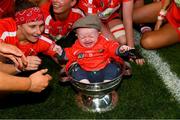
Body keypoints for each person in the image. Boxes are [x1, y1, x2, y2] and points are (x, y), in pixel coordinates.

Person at [56, 15, 144, 83]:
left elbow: (112, 46)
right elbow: (68, 53)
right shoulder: (76, 46)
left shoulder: (103, 42)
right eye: (82, 37)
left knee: (113, 68)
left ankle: (107, 82)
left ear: (99, 34)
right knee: (76, 71)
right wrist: (61, 53)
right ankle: (85, 83)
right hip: (85, 71)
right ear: (77, 36)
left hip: (104, 69)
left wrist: (120, 49)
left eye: (91, 36)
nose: (87, 39)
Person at [0, 0, 62, 72]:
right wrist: (22, 65)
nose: (39, 32)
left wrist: (71, 68)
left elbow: (63, 57)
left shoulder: (42, 40)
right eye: (32, 26)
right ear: (18, 25)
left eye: (41, 25)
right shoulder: (4, 29)